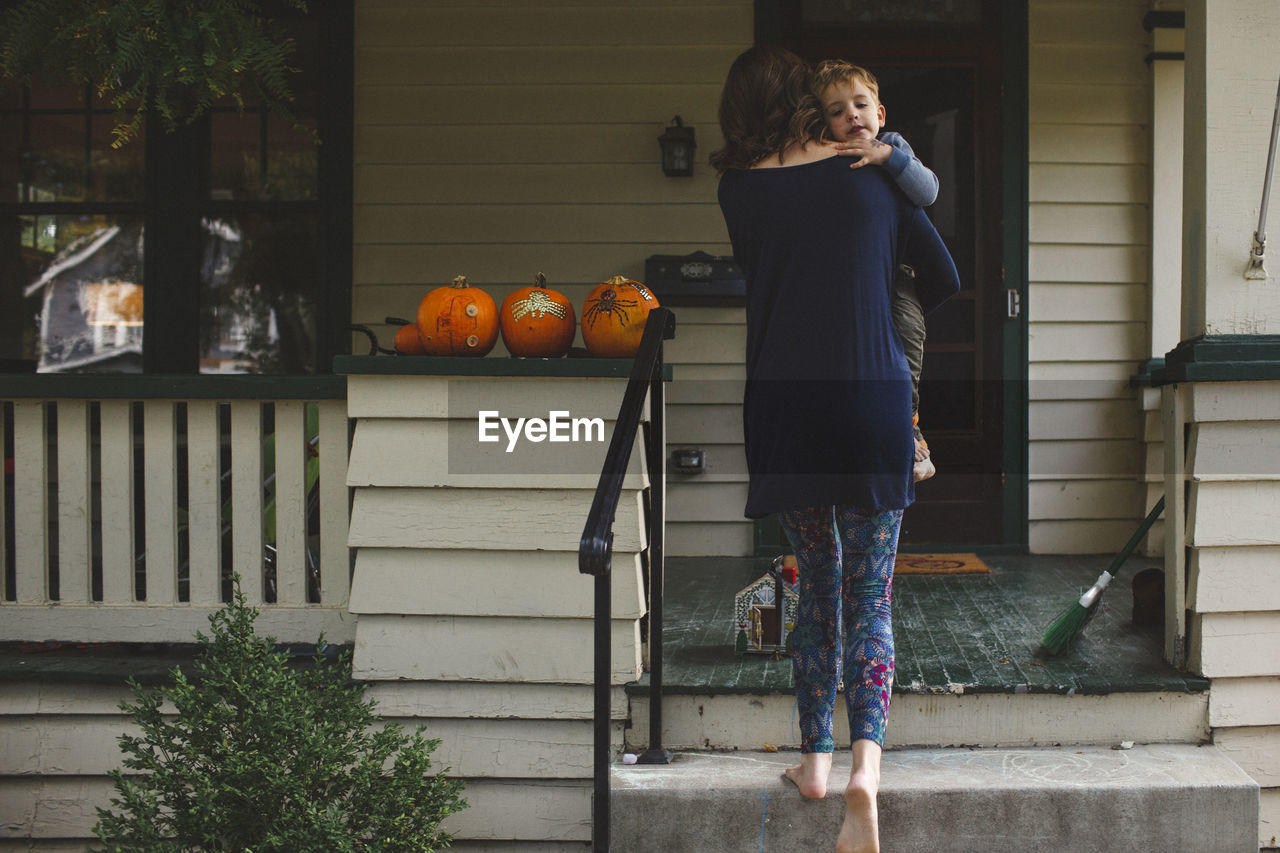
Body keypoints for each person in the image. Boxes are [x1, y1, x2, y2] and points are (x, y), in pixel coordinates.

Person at [712, 45, 960, 853]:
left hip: (783, 411)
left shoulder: (738, 190)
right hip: (873, 402)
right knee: (872, 598)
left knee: (813, 591)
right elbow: (946, 273)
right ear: (808, 100)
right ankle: (865, 769)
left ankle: (813, 761)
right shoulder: (874, 173)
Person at [815, 59, 939, 482]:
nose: (851, 114)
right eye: (836, 111)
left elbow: (929, 192)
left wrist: (887, 157)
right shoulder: (829, 157)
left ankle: (912, 432)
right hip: (852, 277)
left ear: (879, 113)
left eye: (860, 104)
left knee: (909, 343)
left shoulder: (893, 145)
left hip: (898, 274)